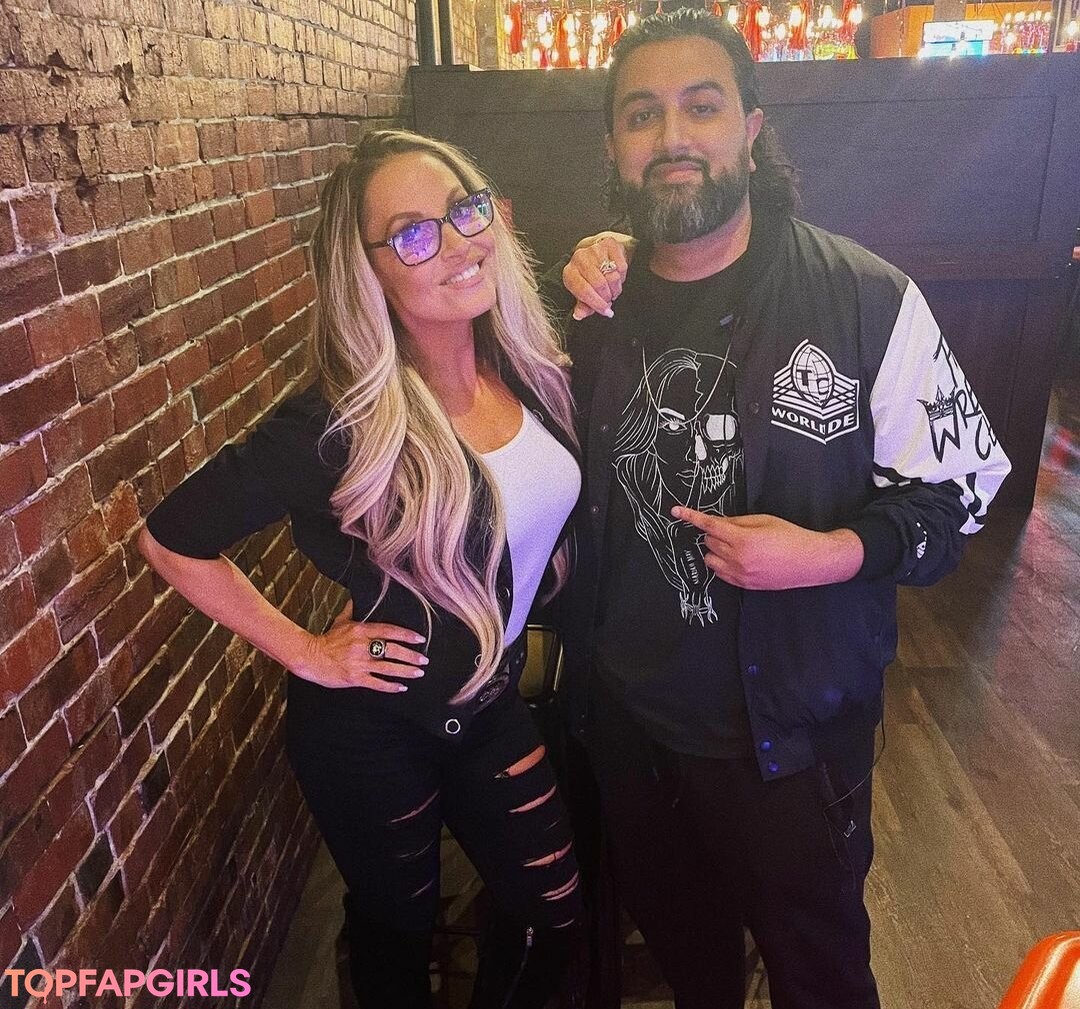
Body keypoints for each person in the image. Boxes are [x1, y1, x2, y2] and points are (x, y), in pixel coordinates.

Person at [551, 9, 1012, 1009]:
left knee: (822, 975)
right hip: (630, 725)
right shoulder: (587, 311)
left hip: (792, 743)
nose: (673, 136)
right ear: (615, 146)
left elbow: (963, 494)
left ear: (752, 130)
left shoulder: (865, 297)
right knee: (690, 969)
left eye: (702, 106)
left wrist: (833, 551)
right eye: (642, 114)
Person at [139, 129, 584, 1009]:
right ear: (368, 271)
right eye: (413, 234)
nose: (455, 242)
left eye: (463, 210)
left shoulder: (526, 369)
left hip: (487, 702)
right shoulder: (338, 425)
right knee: (396, 932)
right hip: (368, 731)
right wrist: (306, 650)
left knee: (556, 912)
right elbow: (171, 537)